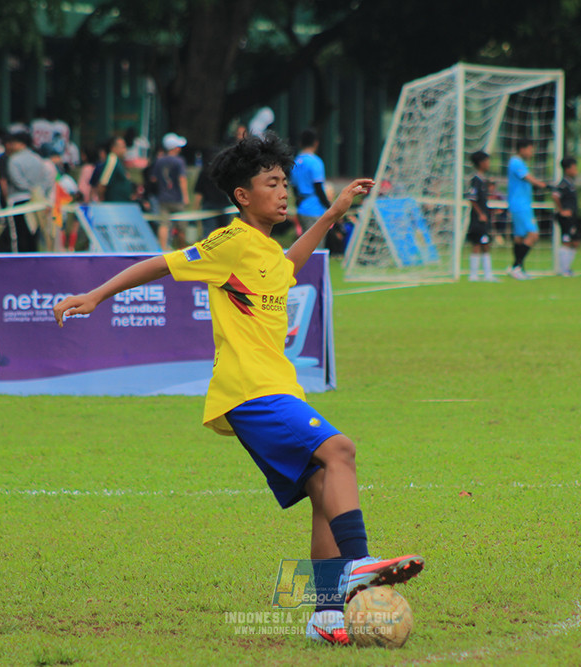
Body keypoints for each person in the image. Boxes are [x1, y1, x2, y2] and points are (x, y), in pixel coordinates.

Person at [52, 132, 424, 646]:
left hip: (278, 391)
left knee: (323, 490)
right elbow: (161, 263)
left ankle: (324, 615)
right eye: (271, 183)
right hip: (250, 392)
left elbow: (287, 268)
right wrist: (95, 295)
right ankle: (358, 562)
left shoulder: (265, 247)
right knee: (341, 450)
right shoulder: (230, 241)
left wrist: (331, 213)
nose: (283, 191)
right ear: (243, 196)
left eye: (285, 182)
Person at [0, 131, 50, 252]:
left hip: (18, 200)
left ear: (20, 144)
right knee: (33, 232)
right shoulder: (38, 159)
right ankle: (33, 259)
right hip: (37, 202)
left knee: (17, 235)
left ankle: (19, 261)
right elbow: (46, 178)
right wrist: (38, 191)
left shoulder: (14, 160)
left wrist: (29, 189)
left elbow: (16, 180)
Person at [506, 138, 548, 280]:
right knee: (533, 234)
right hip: (520, 205)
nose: (532, 152)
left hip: (520, 204)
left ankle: (519, 268)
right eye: (530, 149)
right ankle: (516, 266)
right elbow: (527, 177)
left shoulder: (519, 162)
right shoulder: (516, 162)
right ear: (522, 149)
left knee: (519, 237)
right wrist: (542, 184)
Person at [291, 129, 331, 244]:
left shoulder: (296, 162)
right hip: (314, 208)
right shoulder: (316, 162)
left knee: (305, 245)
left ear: (300, 143)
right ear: (316, 143)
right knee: (316, 247)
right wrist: (329, 206)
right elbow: (318, 188)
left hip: (301, 207)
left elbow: (294, 188)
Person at [465, 150, 497, 282]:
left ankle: (485, 274)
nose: (489, 164)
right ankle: (475, 275)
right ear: (481, 163)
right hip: (478, 219)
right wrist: (481, 214)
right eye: (487, 161)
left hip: (483, 217)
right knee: (478, 244)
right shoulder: (475, 180)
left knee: (484, 244)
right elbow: (472, 198)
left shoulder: (483, 180)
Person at [155, 133, 189, 250]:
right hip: (177, 198)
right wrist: (185, 196)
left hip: (163, 197)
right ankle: (182, 249)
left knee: (163, 225)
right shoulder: (179, 161)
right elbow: (182, 179)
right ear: (174, 148)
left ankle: (162, 248)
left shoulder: (159, 161)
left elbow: (154, 178)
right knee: (181, 226)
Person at [552, 157, 580, 277]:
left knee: (576, 240)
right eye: (574, 167)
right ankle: (564, 270)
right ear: (568, 169)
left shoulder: (570, 183)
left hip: (572, 216)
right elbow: (555, 196)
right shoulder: (563, 184)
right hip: (565, 217)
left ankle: (566, 267)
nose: (576, 170)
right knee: (567, 240)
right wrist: (561, 210)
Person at [96, 135, 134, 203]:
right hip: (113, 204)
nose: (125, 150)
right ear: (113, 148)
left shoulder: (118, 161)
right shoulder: (112, 159)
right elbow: (103, 182)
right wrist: (101, 200)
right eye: (122, 147)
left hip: (121, 203)